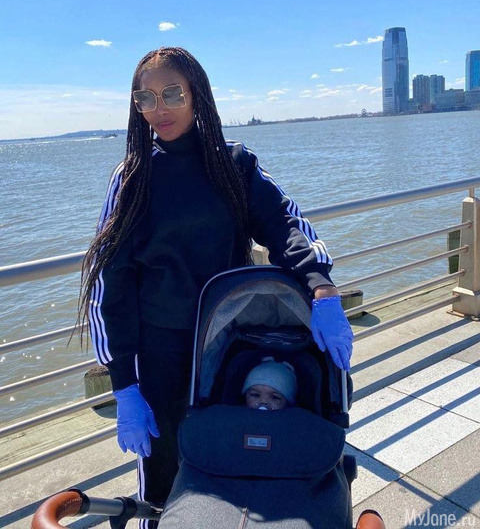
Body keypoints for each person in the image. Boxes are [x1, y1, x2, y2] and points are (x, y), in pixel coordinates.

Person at [78, 46, 353, 528]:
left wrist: (321, 288)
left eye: (172, 94)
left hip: (226, 345)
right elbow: (110, 284)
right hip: (158, 357)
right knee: (164, 482)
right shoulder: (132, 178)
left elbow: (284, 224)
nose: (158, 109)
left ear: (197, 95)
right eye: (145, 98)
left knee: (231, 466)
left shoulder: (234, 164)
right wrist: (124, 386)